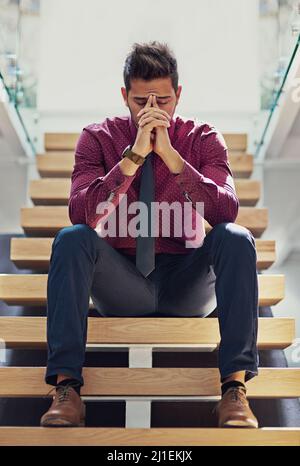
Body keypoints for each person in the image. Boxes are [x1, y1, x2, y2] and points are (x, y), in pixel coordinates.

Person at [40, 41, 259, 428]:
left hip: (186, 282)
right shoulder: (98, 138)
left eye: (165, 101)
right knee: (71, 237)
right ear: (124, 95)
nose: (153, 111)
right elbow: (81, 212)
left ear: (180, 95)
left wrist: (172, 157)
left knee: (236, 237)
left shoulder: (203, 138)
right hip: (121, 280)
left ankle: (234, 391)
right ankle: (67, 389)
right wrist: (134, 157)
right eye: (141, 101)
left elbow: (226, 210)